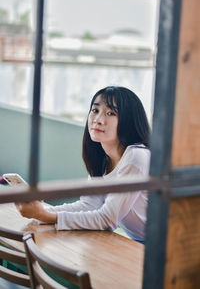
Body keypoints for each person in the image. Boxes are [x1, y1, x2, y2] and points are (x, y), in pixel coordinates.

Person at [17, 86, 150, 243]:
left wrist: (45, 215)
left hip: (166, 248)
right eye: (95, 110)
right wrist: (41, 210)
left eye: (110, 113)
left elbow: (107, 219)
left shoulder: (136, 156)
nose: (98, 119)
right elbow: (89, 205)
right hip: (140, 243)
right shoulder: (103, 158)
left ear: (128, 120)